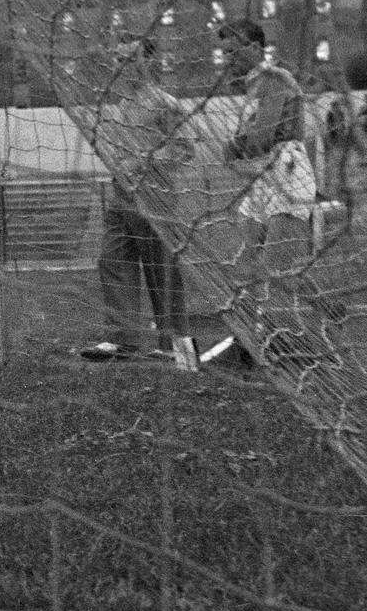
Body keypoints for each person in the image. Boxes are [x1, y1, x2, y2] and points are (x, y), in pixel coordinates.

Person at [205, 20, 323, 369]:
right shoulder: (251, 88)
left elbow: (263, 136)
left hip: (287, 170)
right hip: (264, 176)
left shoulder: (275, 80)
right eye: (223, 53)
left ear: (255, 47)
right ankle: (257, 336)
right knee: (246, 261)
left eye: (233, 51)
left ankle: (288, 344)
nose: (227, 59)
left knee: (276, 267)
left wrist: (232, 147)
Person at [79, 36, 194, 367]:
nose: (121, 66)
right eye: (117, 60)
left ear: (150, 63)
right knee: (111, 259)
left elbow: (185, 148)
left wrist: (145, 161)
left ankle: (176, 345)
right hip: (121, 196)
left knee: (161, 271)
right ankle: (124, 339)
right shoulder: (121, 105)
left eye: (129, 60)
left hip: (154, 197)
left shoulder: (165, 103)